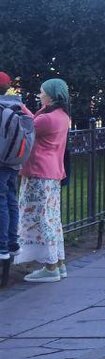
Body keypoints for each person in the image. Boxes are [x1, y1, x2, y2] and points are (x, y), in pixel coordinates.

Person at [16, 80, 71, 283]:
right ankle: (59, 263)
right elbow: (34, 120)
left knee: (41, 218)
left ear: (50, 95)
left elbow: (26, 128)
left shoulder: (48, 119)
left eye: (41, 92)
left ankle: (50, 267)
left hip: (38, 172)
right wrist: (21, 106)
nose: (40, 95)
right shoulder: (62, 116)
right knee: (52, 218)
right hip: (52, 172)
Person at [0, 73, 34, 264]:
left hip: (1, 162)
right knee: (11, 198)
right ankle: (13, 243)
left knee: (1, 201)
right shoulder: (17, 104)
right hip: (15, 160)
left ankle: (2, 246)